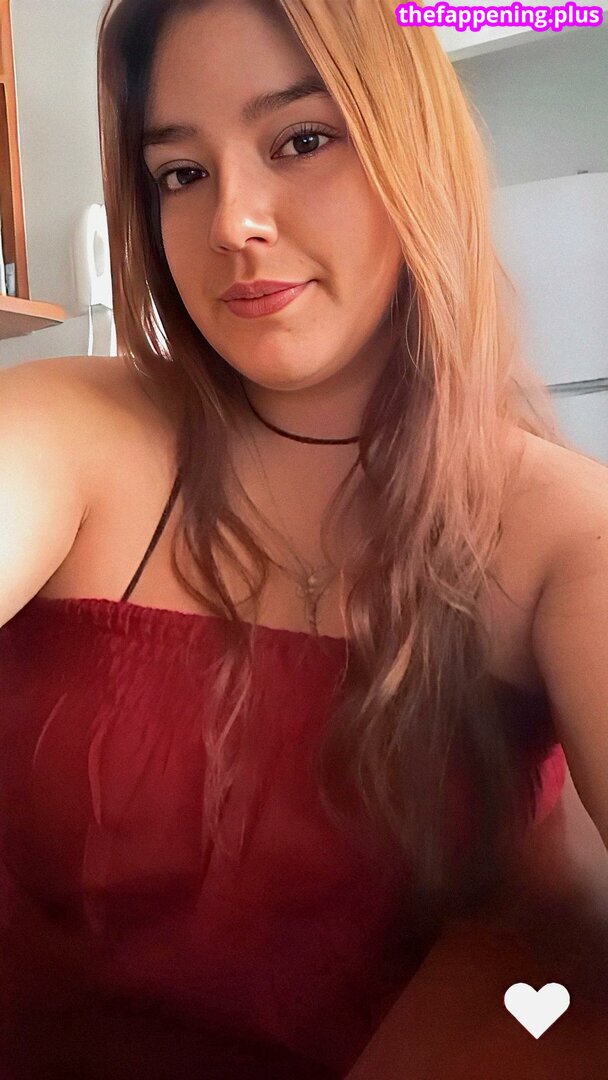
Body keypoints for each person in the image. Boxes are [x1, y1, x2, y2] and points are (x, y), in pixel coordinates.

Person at [0, 0, 607, 1076]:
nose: (231, 220)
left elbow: (560, 964)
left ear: (413, 152)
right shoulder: (71, 426)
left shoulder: (566, 532)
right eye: (181, 172)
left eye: (302, 139)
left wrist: (535, 994)